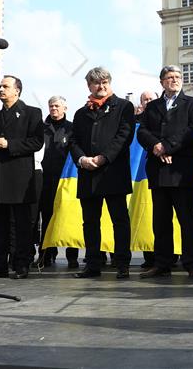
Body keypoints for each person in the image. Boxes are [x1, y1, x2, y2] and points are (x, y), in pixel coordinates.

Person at [137, 65, 193, 280]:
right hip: (158, 170)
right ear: (161, 82)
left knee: (187, 220)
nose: (174, 80)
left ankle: (192, 263)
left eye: (177, 77)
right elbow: (142, 131)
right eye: (169, 77)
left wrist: (167, 146)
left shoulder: (192, 104)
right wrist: (156, 147)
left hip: (181, 170)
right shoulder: (153, 106)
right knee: (161, 221)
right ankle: (162, 263)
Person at [70, 67, 135, 280]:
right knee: (90, 222)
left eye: (105, 81)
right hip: (88, 174)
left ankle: (122, 263)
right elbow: (73, 141)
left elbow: (124, 136)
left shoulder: (124, 107)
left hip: (113, 172)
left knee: (119, 220)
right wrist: (82, 159)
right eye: (97, 83)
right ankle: (93, 264)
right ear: (89, 85)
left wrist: (103, 158)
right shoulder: (81, 113)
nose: (101, 86)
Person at [0, 76, 44, 280]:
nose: (1, 89)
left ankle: (21, 264)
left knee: (21, 225)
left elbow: (37, 142)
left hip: (20, 178)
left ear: (17, 90)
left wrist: (10, 144)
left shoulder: (32, 113)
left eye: (5, 86)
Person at [37, 96, 77, 268]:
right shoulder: (41, 128)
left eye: (57, 106)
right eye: (51, 106)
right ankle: (46, 254)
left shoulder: (72, 128)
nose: (53, 109)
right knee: (46, 217)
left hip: (66, 179)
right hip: (45, 179)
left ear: (65, 108)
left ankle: (72, 257)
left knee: (69, 216)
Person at [134, 90, 158, 270]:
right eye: (145, 99)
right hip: (140, 176)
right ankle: (149, 256)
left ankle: (166, 256)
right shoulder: (137, 122)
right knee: (144, 217)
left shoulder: (162, 115)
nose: (148, 101)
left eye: (151, 99)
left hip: (159, 171)